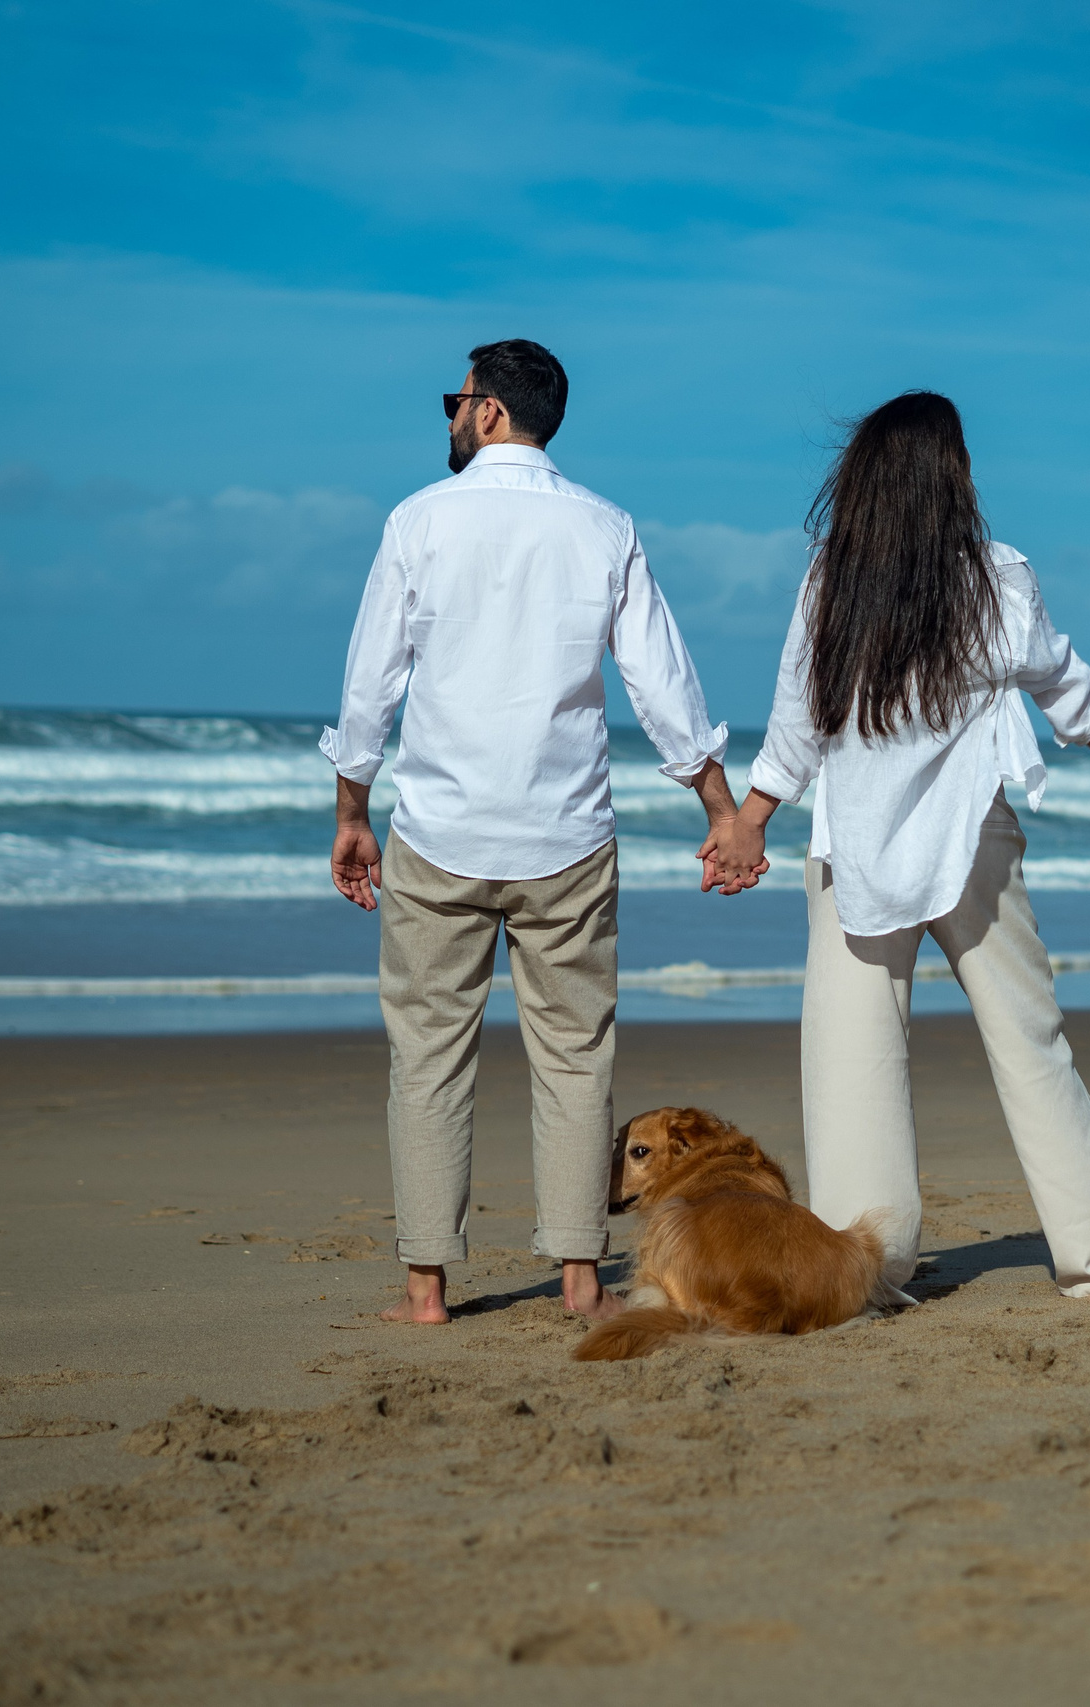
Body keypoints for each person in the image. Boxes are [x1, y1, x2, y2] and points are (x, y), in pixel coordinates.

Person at [708, 390, 1090, 1298]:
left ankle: (868, 1268)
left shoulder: (830, 579)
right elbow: (1068, 690)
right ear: (951, 476)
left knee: (851, 1061)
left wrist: (748, 821)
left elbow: (795, 725)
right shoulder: (1001, 577)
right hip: (973, 841)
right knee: (1029, 1042)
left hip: (852, 846)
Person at [322, 339, 757, 1326]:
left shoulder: (419, 521)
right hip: (565, 836)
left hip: (441, 832)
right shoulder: (604, 527)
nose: (448, 416)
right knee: (575, 1057)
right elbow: (661, 682)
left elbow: (369, 684)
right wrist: (719, 810)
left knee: (429, 1056)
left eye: (454, 399)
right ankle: (574, 1281)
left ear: (486, 412)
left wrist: (352, 811)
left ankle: (426, 1289)